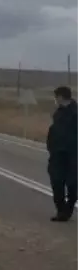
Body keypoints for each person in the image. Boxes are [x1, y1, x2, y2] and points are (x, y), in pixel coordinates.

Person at [47, 85, 78, 222]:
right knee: (56, 181)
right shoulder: (58, 113)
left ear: (60, 97)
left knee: (73, 185)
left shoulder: (76, 113)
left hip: (73, 155)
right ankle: (61, 210)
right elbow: (54, 131)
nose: (55, 100)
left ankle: (68, 210)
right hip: (57, 154)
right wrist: (50, 146)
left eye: (56, 97)